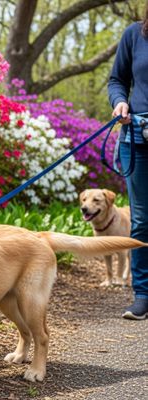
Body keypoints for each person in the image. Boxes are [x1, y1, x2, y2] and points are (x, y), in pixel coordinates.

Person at [108, 2, 148, 320]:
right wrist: (120, 102)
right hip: (136, 139)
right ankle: (144, 294)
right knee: (142, 220)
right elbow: (116, 80)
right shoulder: (134, 34)